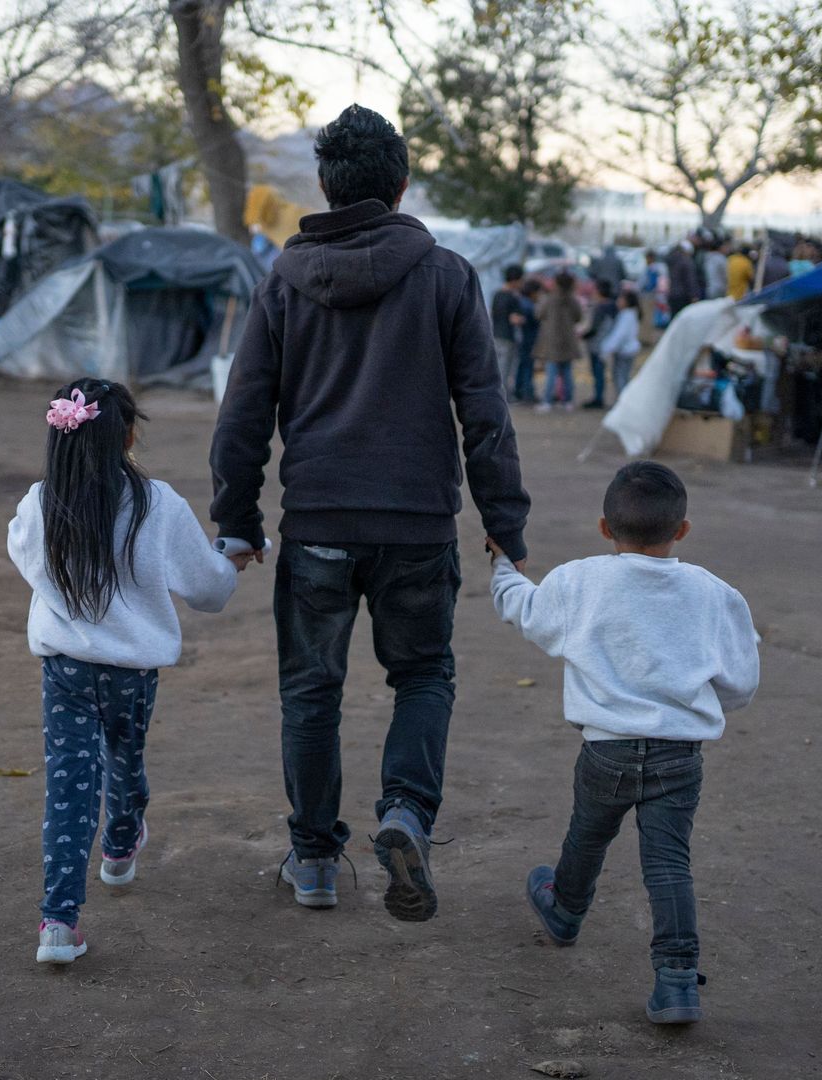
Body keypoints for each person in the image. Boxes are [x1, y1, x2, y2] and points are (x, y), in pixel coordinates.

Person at [211, 104, 531, 922]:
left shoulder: (282, 282)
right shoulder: (447, 274)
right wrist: (504, 518)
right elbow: (485, 412)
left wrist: (238, 519)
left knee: (310, 693)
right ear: (401, 185)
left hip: (316, 523)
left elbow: (244, 413)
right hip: (418, 527)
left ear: (324, 185)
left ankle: (315, 861)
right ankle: (404, 815)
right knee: (422, 674)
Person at [489, 461, 759, 1026]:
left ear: (603, 528)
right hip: (679, 756)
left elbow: (523, 608)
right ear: (682, 529)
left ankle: (564, 909)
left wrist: (504, 569)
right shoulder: (714, 594)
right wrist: (705, 707)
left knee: (587, 837)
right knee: (668, 864)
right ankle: (678, 980)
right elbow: (739, 683)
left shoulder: (578, 580)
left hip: (605, 752)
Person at [7, 378, 247, 965]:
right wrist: (230, 558)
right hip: (131, 675)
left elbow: (24, 555)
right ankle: (119, 848)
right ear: (128, 434)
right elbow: (209, 591)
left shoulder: (40, 502)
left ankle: (58, 925)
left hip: (65, 667)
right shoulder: (157, 503)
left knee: (69, 789)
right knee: (126, 763)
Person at [534, 270, 585, 413]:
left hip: (552, 340)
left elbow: (539, 314)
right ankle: (567, 401)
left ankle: (547, 401)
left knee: (551, 373)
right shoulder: (573, 300)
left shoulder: (550, 299)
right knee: (567, 372)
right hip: (569, 340)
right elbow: (578, 316)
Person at [489, 265, 527, 403]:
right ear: (515, 280)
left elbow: (492, 314)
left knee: (497, 368)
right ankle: (503, 397)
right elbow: (514, 319)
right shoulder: (513, 297)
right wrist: (523, 319)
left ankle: (496, 395)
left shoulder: (496, 294)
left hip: (495, 335)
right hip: (508, 337)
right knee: (506, 369)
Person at [580, 277, 619, 410]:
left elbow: (593, 328)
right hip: (606, 343)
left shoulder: (601, 307)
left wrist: (582, 335)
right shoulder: (613, 306)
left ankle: (598, 398)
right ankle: (599, 396)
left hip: (596, 344)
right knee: (602, 372)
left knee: (597, 373)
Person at [515, 278, 544, 404]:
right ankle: (528, 393)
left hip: (521, 340)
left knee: (522, 366)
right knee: (528, 367)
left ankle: (519, 390)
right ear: (533, 292)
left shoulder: (521, 302)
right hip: (528, 340)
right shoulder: (529, 306)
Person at [664, 236, 702, 313]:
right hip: (683, 296)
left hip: (672, 294)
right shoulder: (686, 261)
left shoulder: (671, 259)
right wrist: (694, 295)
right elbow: (690, 280)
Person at [700, 235, 729, 303]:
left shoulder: (707, 257)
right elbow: (726, 275)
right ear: (720, 247)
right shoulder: (721, 258)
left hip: (709, 288)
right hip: (720, 289)